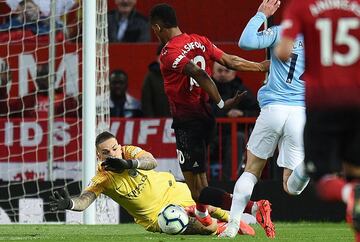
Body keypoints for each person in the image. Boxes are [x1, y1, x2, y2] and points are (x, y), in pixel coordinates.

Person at [149, 3, 272, 232]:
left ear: (157, 27)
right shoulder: (200, 40)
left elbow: (200, 73)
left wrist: (221, 102)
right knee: (202, 181)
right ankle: (204, 217)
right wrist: (260, 66)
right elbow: (230, 61)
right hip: (206, 119)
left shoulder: (168, 53)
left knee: (196, 190)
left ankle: (254, 208)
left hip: (188, 122)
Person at [49, 131, 256, 236]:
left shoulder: (129, 151)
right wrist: (70, 204)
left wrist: (128, 163)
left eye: (114, 148)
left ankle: (233, 218)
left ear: (119, 146)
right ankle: (221, 226)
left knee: (207, 202)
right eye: (106, 152)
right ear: (98, 156)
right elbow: (85, 200)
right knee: (205, 229)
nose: (112, 153)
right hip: (157, 217)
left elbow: (152, 162)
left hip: (171, 190)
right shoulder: (103, 178)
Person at [219, 0, 311, 238]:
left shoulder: (282, 33)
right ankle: (309, 166)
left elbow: (246, 42)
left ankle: (232, 226)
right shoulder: (321, 42)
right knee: (291, 187)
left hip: (273, 110)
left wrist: (261, 15)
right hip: (299, 114)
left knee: (251, 170)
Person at [276, 0, 360, 240]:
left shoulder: (301, 6)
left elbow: (283, 51)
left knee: (322, 177)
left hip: (323, 103)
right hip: (356, 101)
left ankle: (348, 192)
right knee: (355, 171)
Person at [210, 62, 259, 180]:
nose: (223, 74)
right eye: (219, 70)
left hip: (234, 136)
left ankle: (229, 181)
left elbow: (258, 113)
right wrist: (225, 114)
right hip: (211, 134)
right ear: (213, 71)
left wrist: (242, 114)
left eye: (227, 71)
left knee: (238, 138)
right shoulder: (206, 89)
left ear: (234, 73)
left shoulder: (242, 90)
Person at [141, 44, 171, 118]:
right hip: (157, 122)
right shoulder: (150, 77)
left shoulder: (180, 75)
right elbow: (146, 103)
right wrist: (152, 121)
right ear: (157, 58)